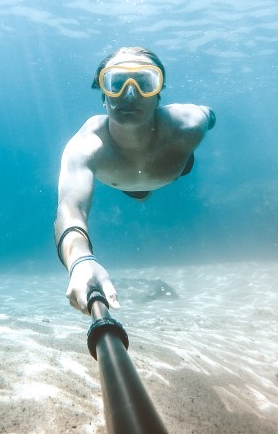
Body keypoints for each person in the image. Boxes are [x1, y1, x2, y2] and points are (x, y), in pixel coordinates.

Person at [54, 47, 216, 314]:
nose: (130, 94)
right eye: (116, 83)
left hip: (175, 169)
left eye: (144, 83)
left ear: (158, 95)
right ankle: (140, 193)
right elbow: (70, 209)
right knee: (139, 193)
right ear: (104, 95)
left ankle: (142, 192)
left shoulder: (188, 125)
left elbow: (208, 115)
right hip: (128, 183)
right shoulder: (87, 146)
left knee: (155, 184)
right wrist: (80, 260)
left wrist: (208, 115)